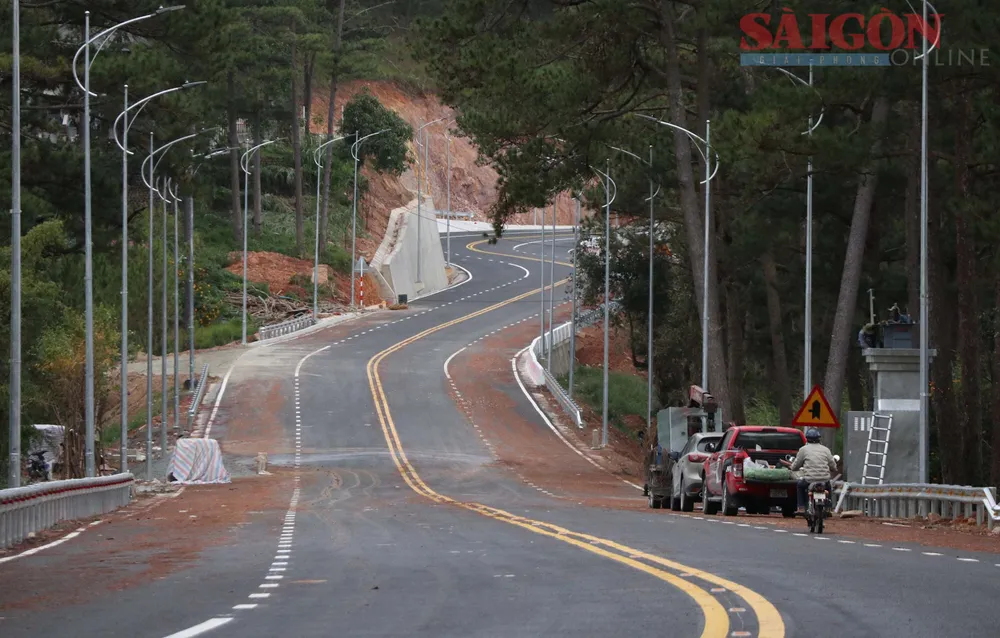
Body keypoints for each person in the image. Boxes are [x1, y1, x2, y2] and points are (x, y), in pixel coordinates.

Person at [780, 428, 838, 513]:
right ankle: (829, 507)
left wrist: (792, 468)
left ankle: (801, 507)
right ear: (819, 438)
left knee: (800, 485)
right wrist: (833, 469)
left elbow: (796, 465)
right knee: (828, 487)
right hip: (824, 480)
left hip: (809, 480)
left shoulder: (803, 449)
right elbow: (833, 466)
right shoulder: (826, 450)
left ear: (807, 439)